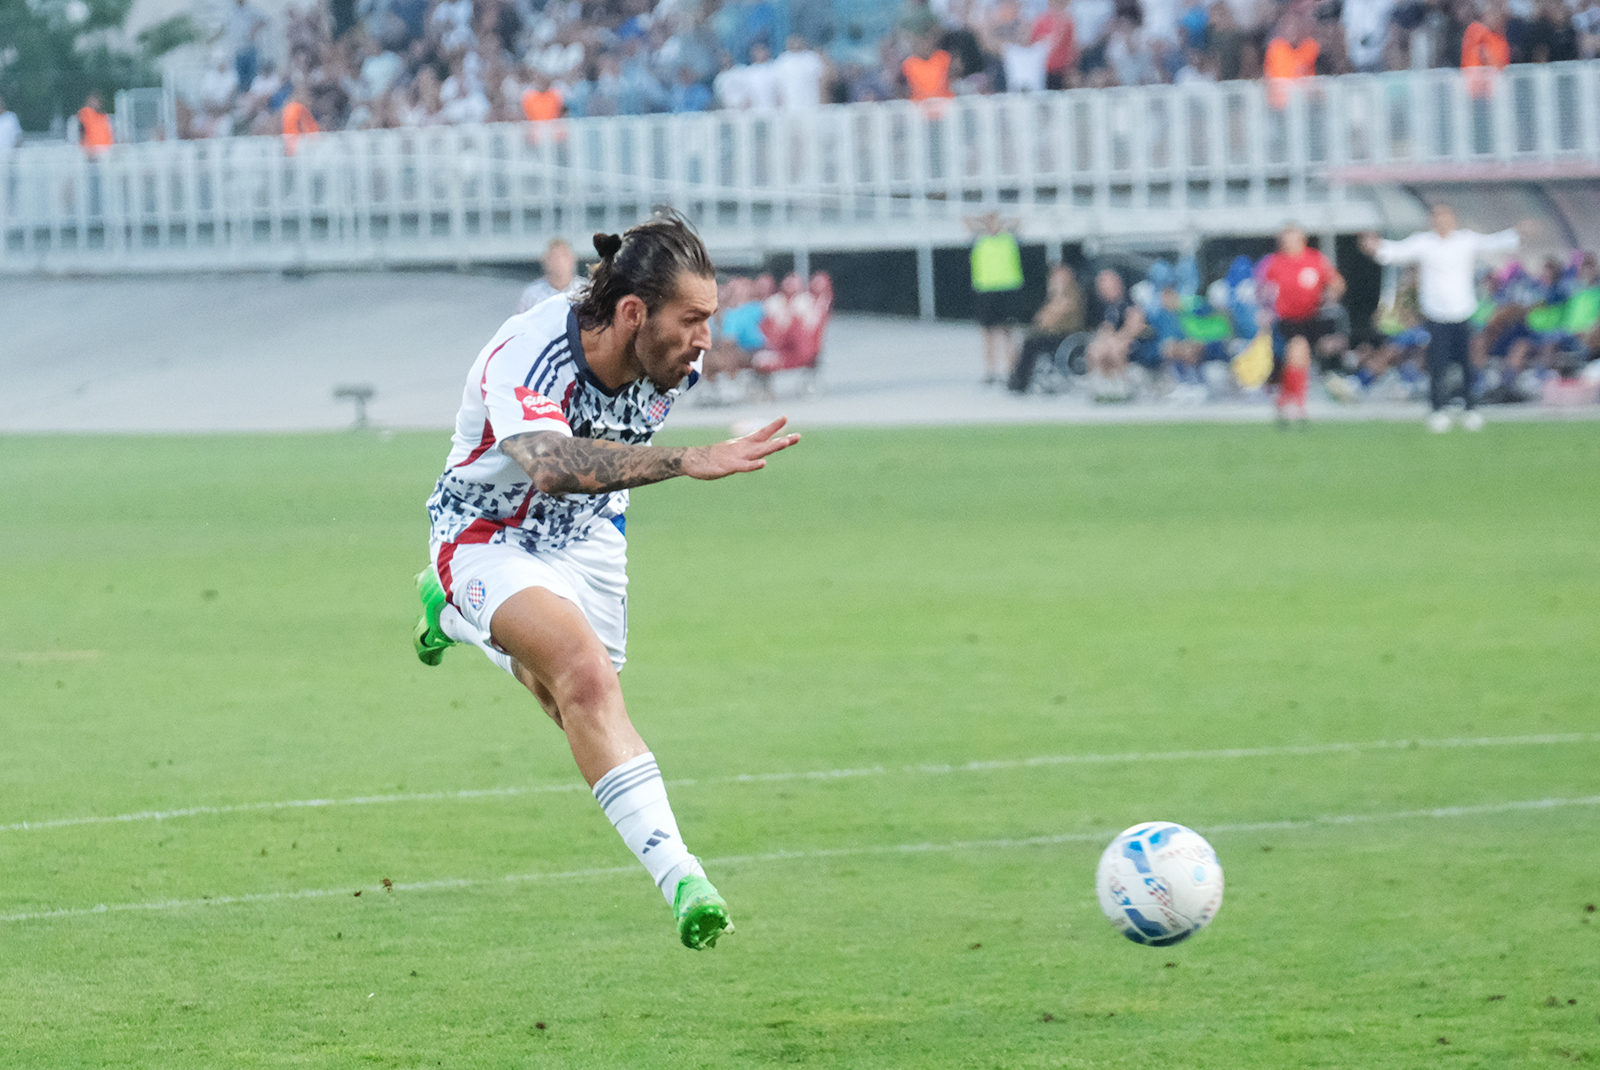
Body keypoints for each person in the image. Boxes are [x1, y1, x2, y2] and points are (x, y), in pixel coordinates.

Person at [412, 211, 799, 950]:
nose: (704, 340)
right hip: (485, 534)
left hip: (586, 539)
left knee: (571, 703)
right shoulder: (528, 348)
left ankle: (458, 619)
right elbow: (553, 467)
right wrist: (690, 460)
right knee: (584, 677)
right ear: (632, 312)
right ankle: (684, 878)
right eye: (692, 319)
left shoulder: (668, 363)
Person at [1361, 203, 1526, 432]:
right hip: (1436, 314)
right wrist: (1376, 248)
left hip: (1462, 311)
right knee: (1437, 365)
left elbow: (1493, 243)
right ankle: (1438, 410)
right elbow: (1397, 251)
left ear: (1453, 219)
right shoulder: (1424, 243)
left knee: (1467, 363)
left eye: (1445, 216)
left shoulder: (1465, 240)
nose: (1441, 221)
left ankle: (1470, 408)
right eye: (1436, 217)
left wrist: (1517, 234)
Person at [965, 211, 1025, 385]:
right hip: (986, 289)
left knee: (1008, 332)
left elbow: (1020, 221)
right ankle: (991, 371)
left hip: (1008, 288)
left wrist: (1003, 221)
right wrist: (983, 221)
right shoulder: (980, 238)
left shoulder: (1009, 238)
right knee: (988, 333)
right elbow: (965, 221)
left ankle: (1013, 370)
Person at [1008, 264, 1087, 393]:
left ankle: (1020, 381)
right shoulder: (1055, 298)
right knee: (1028, 342)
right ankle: (1018, 377)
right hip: (1053, 334)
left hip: (1065, 336)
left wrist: (1055, 294)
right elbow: (1040, 320)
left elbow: (1047, 320)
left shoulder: (1072, 295)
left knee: (1031, 344)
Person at [516, 237, 579, 313]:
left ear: (573, 259)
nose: (559, 262)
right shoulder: (532, 294)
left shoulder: (587, 291)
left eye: (563, 257)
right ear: (545, 261)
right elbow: (519, 322)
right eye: (554, 257)